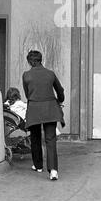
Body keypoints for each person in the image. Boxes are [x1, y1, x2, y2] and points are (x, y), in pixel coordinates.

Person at [22, 50, 65, 181]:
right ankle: (53, 170)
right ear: (41, 60)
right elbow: (60, 90)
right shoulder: (50, 74)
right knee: (50, 140)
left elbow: (27, 94)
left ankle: (38, 165)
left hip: (34, 109)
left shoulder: (26, 75)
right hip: (50, 109)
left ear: (30, 62)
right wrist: (60, 100)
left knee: (35, 137)